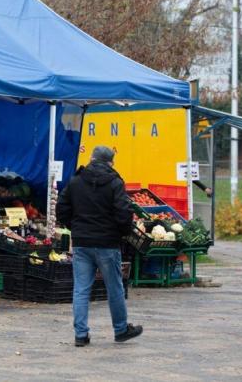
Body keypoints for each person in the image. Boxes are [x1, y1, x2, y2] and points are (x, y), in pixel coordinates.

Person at [56, 146, 143, 347]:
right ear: (110, 162)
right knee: (114, 288)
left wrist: (74, 227)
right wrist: (121, 232)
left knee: (81, 289)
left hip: (81, 244)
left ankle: (80, 334)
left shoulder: (76, 181)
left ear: (92, 158)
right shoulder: (115, 183)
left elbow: (62, 207)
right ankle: (121, 330)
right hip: (107, 243)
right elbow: (124, 213)